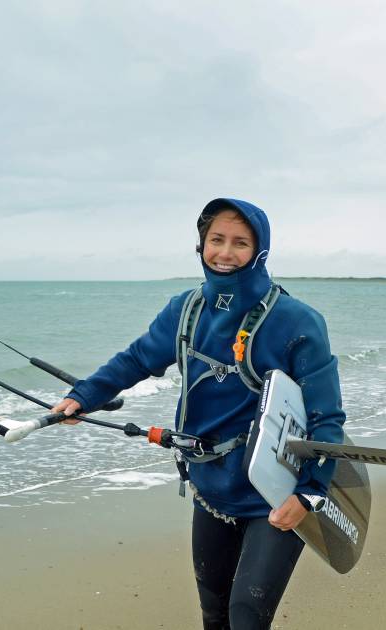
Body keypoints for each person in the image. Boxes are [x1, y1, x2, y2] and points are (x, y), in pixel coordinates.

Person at [51, 198, 345, 629]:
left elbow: (327, 418)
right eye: (216, 240)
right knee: (213, 613)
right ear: (201, 244)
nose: (225, 253)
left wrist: (310, 492)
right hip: (211, 487)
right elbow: (137, 359)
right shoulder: (186, 309)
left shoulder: (296, 321)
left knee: (247, 616)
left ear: (260, 249)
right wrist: (84, 396)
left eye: (240, 242)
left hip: (274, 490)